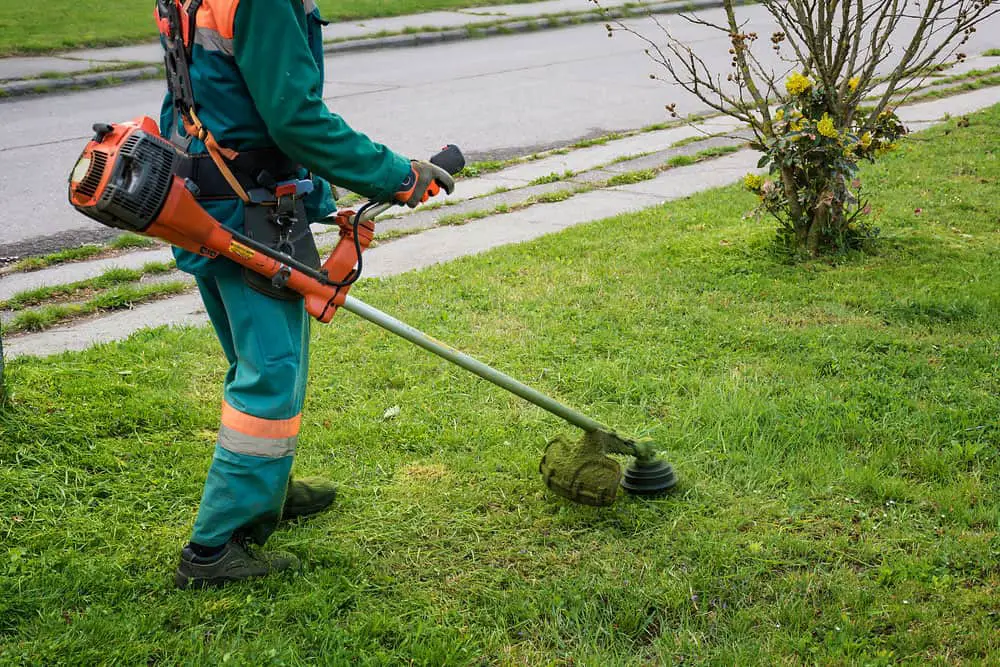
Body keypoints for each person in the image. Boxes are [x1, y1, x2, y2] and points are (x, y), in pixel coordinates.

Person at [155, 0, 455, 589]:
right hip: (246, 216)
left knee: (250, 360)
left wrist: (313, 197)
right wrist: (398, 175)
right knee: (269, 373)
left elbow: (200, 102)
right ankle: (216, 549)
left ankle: (265, 489)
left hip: (204, 199)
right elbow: (295, 119)